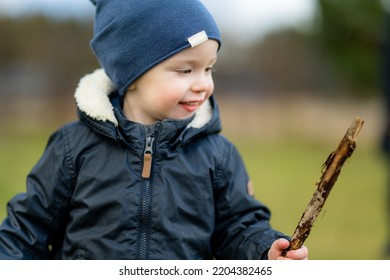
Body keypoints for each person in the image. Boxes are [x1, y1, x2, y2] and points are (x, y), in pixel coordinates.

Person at [0, 0, 308, 260]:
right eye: (185, 70)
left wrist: (264, 250)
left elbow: (239, 227)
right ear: (131, 74)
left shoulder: (217, 155)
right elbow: (28, 229)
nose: (203, 84)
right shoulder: (73, 148)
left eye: (208, 68)